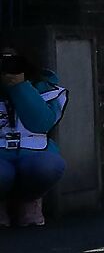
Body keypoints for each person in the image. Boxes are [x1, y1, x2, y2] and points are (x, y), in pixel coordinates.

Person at [0, 48, 67, 228]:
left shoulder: (44, 86)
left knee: (46, 166)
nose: (7, 68)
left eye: (13, 63)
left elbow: (41, 124)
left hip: (35, 152)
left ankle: (28, 201)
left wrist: (20, 87)